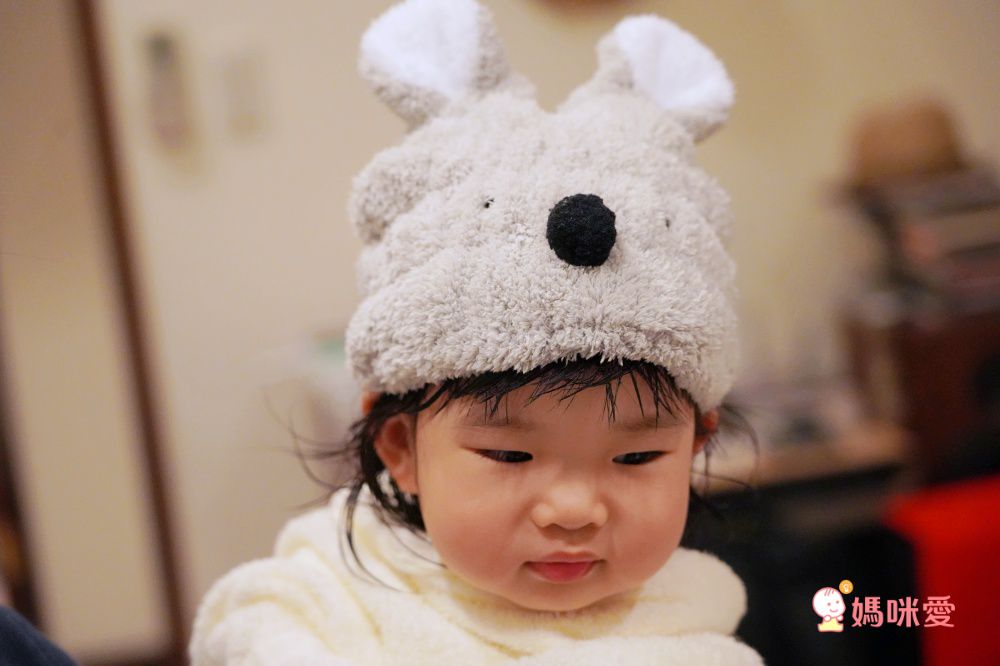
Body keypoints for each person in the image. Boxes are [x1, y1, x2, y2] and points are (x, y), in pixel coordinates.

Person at [189, 0, 764, 663]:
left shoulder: (690, 625)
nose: (574, 510)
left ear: (695, 445)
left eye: (636, 458)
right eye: (510, 456)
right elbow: (249, 622)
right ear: (401, 448)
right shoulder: (339, 591)